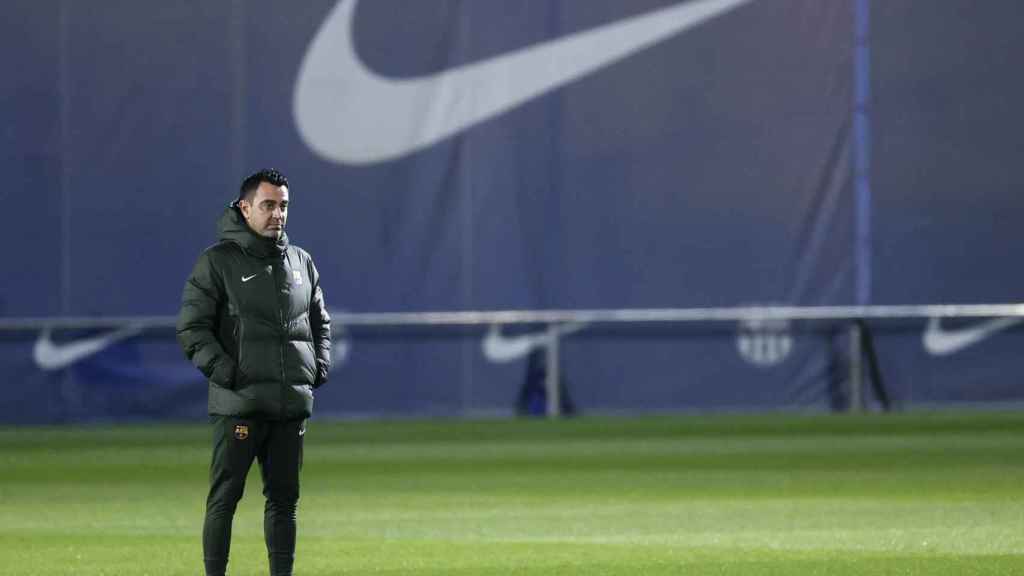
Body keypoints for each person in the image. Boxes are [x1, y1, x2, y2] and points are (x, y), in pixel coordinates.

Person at [176, 168, 331, 576]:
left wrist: (318, 365)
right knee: (224, 500)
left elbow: (320, 322)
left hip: (288, 407)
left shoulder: (301, 261)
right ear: (245, 208)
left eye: (283, 206)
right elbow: (192, 329)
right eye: (268, 205)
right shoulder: (217, 262)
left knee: (284, 502)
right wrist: (229, 374)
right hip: (239, 406)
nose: (277, 214)